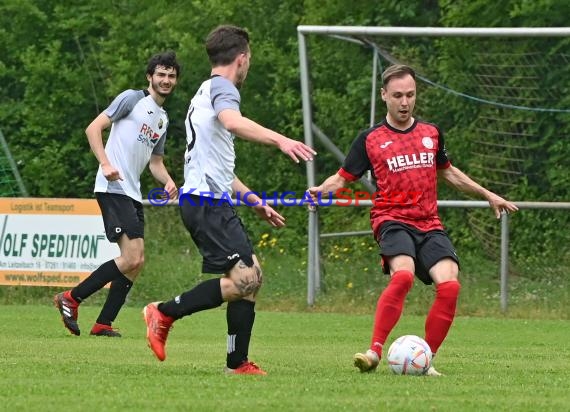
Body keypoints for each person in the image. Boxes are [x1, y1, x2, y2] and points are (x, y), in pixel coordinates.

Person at [308, 64, 518, 375]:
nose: (405, 102)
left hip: (429, 223)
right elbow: (341, 179)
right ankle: (374, 352)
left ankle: (425, 359)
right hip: (391, 219)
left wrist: (487, 193)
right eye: (397, 96)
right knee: (403, 276)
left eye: (410, 95)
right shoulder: (370, 139)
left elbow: (448, 173)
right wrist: (320, 191)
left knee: (450, 285)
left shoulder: (431, 133)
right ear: (384, 96)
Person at [142, 25, 316, 375]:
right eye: (248, 59)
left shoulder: (204, 91)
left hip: (209, 198)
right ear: (242, 58)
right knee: (245, 280)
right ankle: (164, 311)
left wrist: (253, 200)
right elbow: (233, 123)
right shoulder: (223, 88)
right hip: (206, 202)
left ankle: (237, 363)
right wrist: (281, 140)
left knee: (251, 278)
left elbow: (220, 168)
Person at [54, 51, 180, 337]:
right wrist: (106, 163)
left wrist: (168, 181)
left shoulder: (162, 118)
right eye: (160, 74)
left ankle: (103, 324)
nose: (166, 80)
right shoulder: (132, 99)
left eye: (171, 76)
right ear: (150, 77)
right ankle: (71, 298)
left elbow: (155, 163)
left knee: (137, 262)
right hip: (113, 187)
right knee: (132, 257)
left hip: (131, 191)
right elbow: (93, 128)